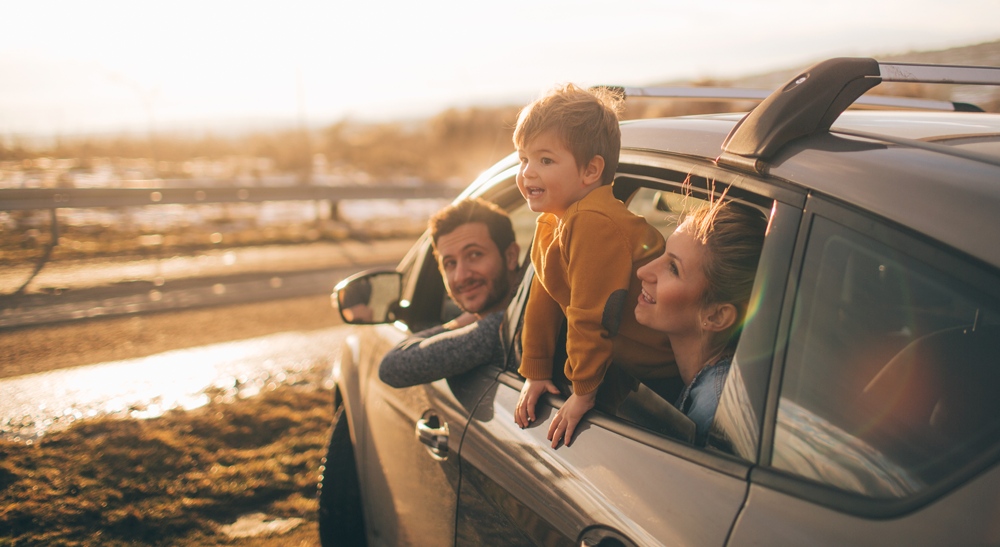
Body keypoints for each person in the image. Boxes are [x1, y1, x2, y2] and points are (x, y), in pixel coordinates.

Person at [512, 83, 676, 448]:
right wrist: (536, 370)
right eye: (523, 159)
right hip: (630, 367)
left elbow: (590, 314)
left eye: (545, 160)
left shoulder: (593, 221)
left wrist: (583, 392)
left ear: (590, 171)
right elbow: (544, 297)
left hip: (662, 372)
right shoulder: (555, 221)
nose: (527, 173)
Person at [634, 198, 766, 444]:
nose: (643, 271)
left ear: (716, 316)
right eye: (663, 253)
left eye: (673, 268)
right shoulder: (715, 385)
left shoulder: (712, 414)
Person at [378, 198, 521, 388]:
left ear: (511, 256)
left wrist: (461, 323)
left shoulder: (508, 328)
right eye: (450, 263)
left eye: (475, 254)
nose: (461, 276)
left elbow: (393, 367)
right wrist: (468, 319)